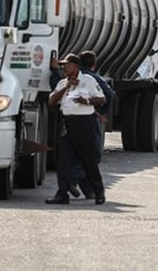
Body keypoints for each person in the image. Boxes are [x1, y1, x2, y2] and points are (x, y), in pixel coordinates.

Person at [46, 53, 107, 205]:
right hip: (68, 123)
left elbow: (102, 98)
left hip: (85, 124)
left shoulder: (88, 80)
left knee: (89, 161)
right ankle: (62, 194)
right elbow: (52, 101)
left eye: (68, 65)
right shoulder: (62, 83)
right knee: (64, 161)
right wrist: (66, 88)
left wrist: (86, 100)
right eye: (63, 65)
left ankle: (99, 192)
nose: (64, 68)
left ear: (76, 66)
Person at [71, 50, 115, 199]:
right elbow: (109, 94)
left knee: (76, 153)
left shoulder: (70, 78)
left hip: (70, 119)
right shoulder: (93, 78)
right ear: (94, 64)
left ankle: (89, 191)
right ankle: (73, 180)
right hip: (89, 119)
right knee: (92, 154)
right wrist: (101, 111)